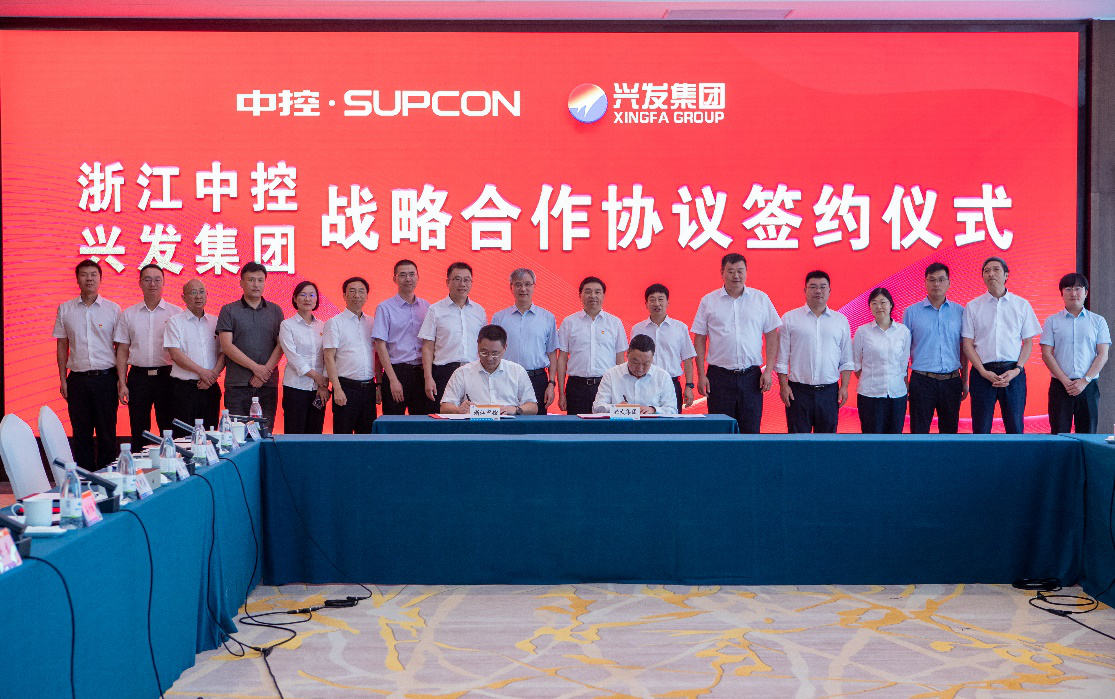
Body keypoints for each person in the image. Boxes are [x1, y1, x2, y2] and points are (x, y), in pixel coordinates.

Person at [692, 253, 781, 434]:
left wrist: (769, 371)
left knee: (751, 431)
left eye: (740, 271)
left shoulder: (760, 299)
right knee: (720, 432)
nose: (736, 276)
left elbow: (772, 335)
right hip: (719, 377)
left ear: (746, 272)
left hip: (752, 378)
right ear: (722, 273)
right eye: (731, 271)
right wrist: (701, 375)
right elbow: (699, 338)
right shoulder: (708, 301)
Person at [52, 259, 121, 469]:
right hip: (78, 380)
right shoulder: (65, 309)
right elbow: (62, 345)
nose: (89, 279)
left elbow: (121, 348)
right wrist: (63, 379)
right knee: (81, 434)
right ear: (77, 279)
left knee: (107, 433)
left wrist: (121, 380)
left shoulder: (113, 309)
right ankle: (84, 480)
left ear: (100, 279)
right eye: (84, 274)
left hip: (106, 379)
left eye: (93, 275)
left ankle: (108, 479)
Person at [962, 257, 1041, 434]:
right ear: (983, 277)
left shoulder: (1021, 305)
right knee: (980, 430)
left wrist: (1017, 369)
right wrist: (983, 372)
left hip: (1012, 373)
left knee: (1015, 428)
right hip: (982, 373)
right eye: (986, 271)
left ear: (1006, 275)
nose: (991, 274)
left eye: (996, 270)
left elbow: (1028, 342)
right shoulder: (973, 307)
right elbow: (967, 344)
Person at [775, 270, 854, 433]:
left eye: (823, 287)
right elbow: (781, 358)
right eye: (813, 287)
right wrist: (783, 386)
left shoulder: (840, 321)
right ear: (805, 290)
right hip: (798, 392)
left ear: (829, 291)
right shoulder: (789, 318)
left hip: (829, 392)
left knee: (827, 442)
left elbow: (846, 360)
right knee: (798, 442)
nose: (818, 291)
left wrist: (844, 387)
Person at [113, 264, 182, 447]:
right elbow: (122, 350)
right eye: (147, 279)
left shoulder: (176, 313)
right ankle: (139, 464)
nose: (153, 284)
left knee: (169, 428)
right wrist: (122, 382)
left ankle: (170, 463)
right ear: (140, 283)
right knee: (139, 429)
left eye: (157, 279)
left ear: (164, 283)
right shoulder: (128, 314)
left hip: (167, 376)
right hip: (139, 377)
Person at [902, 262, 968, 434]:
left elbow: (964, 349)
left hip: (952, 380)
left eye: (941, 280)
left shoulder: (960, 312)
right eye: (931, 280)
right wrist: (904, 379)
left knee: (949, 434)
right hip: (922, 381)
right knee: (919, 433)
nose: (936, 284)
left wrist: (965, 380)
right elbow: (903, 351)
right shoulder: (911, 312)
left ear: (949, 283)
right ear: (925, 283)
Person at [1040, 273, 1111, 433]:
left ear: (1086, 292)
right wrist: (1065, 381)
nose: (1073, 293)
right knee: (1059, 435)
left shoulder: (1098, 321)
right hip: (1060, 386)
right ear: (1062, 294)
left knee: (1088, 435)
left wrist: (1085, 380)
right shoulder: (1052, 321)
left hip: (1088, 386)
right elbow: (1046, 354)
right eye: (1068, 289)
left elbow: (1103, 354)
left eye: (1078, 288)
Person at [217, 262, 284, 426]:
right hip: (237, 385)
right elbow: (227, 346)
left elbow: (281, 345)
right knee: (236, 434)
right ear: (241, 282)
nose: (256, 285)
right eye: (251, 280)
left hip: (267, 384)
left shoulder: (275, 311)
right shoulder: (229, 310)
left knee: (264, 433)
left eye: (260, 280)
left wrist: (264, 373)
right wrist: (256, 369)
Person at [556, 276, 628, 415]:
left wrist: (621, 391)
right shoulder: (569, 322)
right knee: (577, 426)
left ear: (603, 296)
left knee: (606, 426)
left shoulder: (615, 323)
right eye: (588, 291)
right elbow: (562, 359)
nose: (593, 296)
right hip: (577, 387)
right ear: (580, 295)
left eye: (597, 292)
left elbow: (620, 360)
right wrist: (561, 393)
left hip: (606, 385)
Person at [419, 262, 487, 406]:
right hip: (444, 373)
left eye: (466, 280)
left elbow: (484, 346)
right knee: (444, 415)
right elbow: (427, 347)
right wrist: (428, 378)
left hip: (474, 372)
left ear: (471, 283)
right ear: (447, 282)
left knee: (473, 415)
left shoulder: (479, 311)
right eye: (457, 279)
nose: (462, 284)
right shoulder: (435, 310)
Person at [492, 268, 559, 413]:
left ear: (534, 286)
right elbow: (493, 352)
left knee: (537, 422)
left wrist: (551, 384)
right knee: (505, 419)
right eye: (518, 284)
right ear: (511, 288)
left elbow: (552, 353)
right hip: (506, 379)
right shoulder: (499, 318)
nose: (523, 289)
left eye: (527, 284)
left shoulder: (547, 317)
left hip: (537, 380)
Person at [164, 279, 225, 437]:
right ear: (183, 297)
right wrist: (203, 373)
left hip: (210, 388)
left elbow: (224, 352)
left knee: (210, 436)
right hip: (184, 390)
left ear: (207, 295)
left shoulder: (215, 322)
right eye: (193, 292)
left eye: (202, 292)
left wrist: (212, 376)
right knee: (183, 437)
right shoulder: (174, 322)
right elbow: (175, 354)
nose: (198, 296)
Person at [372, 259, 432, 415]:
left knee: (422, 423)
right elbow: (380, 346)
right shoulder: (385, 308)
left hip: (422, 374)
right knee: (394, 423)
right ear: (395, 279)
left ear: (418, 277)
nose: (408, 279)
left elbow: (431, 343)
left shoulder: (427, 307)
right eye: (403, 275)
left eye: (412, 274)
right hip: (397, 372)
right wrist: (393, 380)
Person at [440, 324, 538, 415]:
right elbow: (444, 407)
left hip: (508, 424)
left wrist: (515, 409)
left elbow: (533, 407)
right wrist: (458, 410)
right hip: (473, 424)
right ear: (477, 346)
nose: (489, 358)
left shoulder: (517, 371)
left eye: (495, 353)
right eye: (484, 352)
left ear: (505, 348)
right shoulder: (462, 373)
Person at [853, 288, 911, 434]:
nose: (878, 306)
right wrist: (871, 378)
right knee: (872, 439)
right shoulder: (862, 331)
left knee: (894, 438)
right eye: (874, 303)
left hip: (897, 393)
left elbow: (903, 363)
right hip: (870, 394)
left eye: (883, 302)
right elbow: (856, 363)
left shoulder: (903, 331)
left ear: (891, 305)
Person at [324, 276, 377, 434]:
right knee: (343, 436)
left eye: (361, 291)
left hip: (369, 388)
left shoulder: (372, 322)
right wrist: (337, 389)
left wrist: (379, 385)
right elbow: (329, 357)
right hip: (346, 388)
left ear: (367, 295)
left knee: (367, 436)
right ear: (344, 295)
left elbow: (377, 355)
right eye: (352, 291)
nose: (357, 295)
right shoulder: (334, 323)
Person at [632, 284, 697, 413]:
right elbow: (632, 359)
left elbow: (687, 359)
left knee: (672, 421)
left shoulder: (680, 328)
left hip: (671, 384)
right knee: (644, 420)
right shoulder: (638, 329)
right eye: (652, 300)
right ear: (646, 304)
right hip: (645, 383)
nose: (657, 303)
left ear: (668, 303)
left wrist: (689, 386)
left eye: (661, 299)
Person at [279, 281, 328, 434]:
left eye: (312, 295)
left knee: (315, 433)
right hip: (296, 387)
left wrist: (323, 385)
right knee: (294, 433)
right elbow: (293, 357)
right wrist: (317, 377)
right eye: (303, 295)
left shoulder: (323, 326)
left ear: (317, 299)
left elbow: (328, 356)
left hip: (318, 390)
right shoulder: (287, 325)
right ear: (295, 298)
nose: (308, 299)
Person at [592, 334, 678, 415]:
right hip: (620, 424)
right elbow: (597, 408)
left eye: (646, 364)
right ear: (627, 354)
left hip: (651, 425)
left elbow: (672, 410)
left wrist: (654, 410)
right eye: (635, 363)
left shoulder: (663, 376)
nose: (640, 369)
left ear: (652, 358)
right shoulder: (611, 374)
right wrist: (616, 408)